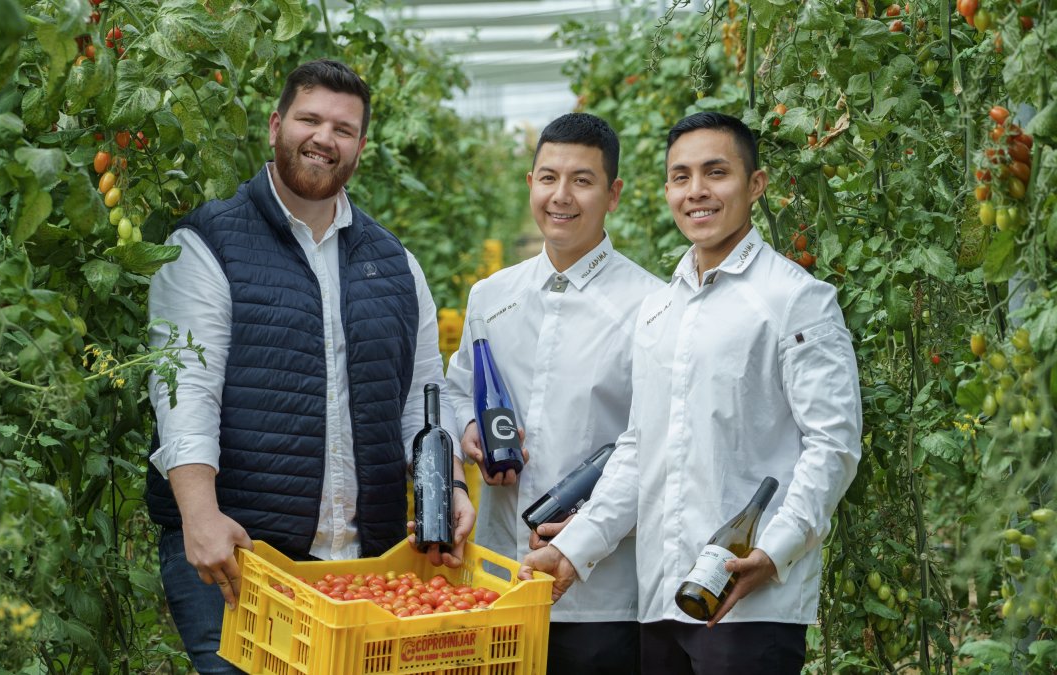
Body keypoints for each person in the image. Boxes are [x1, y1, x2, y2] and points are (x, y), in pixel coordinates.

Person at [144, 59, 474, 674]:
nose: (325, 138)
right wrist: (199, 515)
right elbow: (185, 388)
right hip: (244, 557)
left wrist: (450, 484)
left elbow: (422, 397)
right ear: (276, 126)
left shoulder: (395, 263)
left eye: (343, 129)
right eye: (309, 120)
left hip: (367, 563)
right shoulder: (207, 243)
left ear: (360, 147)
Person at [521, 111, 862, 674]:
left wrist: (773, 551)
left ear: (755, 184)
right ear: (667, 192)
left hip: (749, 601)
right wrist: (573, 550)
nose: (696, 191)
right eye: (681, 177)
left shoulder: (794, 300)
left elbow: (833, 444)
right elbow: (639, 450)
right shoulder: (660, 310)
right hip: (661, 598)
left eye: (716, 173)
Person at [445, 113, 663, 675]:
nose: (561, 196)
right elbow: (458, 389)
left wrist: (587, 535)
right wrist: (469, 429)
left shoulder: (652, 307)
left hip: (599, 596)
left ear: (613, 194)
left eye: (582, 181)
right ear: (531, 184)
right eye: (548, 178)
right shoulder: (491, 295)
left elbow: (657, 447)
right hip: (497, 580)